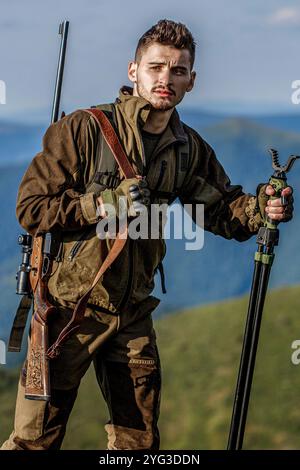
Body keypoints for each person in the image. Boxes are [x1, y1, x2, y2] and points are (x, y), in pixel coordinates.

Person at [1, 19, 293, 450]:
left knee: (137, 443)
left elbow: (222, 210)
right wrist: (100, 205)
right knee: (33, 442)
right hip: (67, 314)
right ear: (133, 70)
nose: (166, 79)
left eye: (178, 70)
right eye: (156, 67)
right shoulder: (82, 131)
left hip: (133, 313)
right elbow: (30, 209)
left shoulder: (187, 148)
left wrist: (262, 206)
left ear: (191, 81)